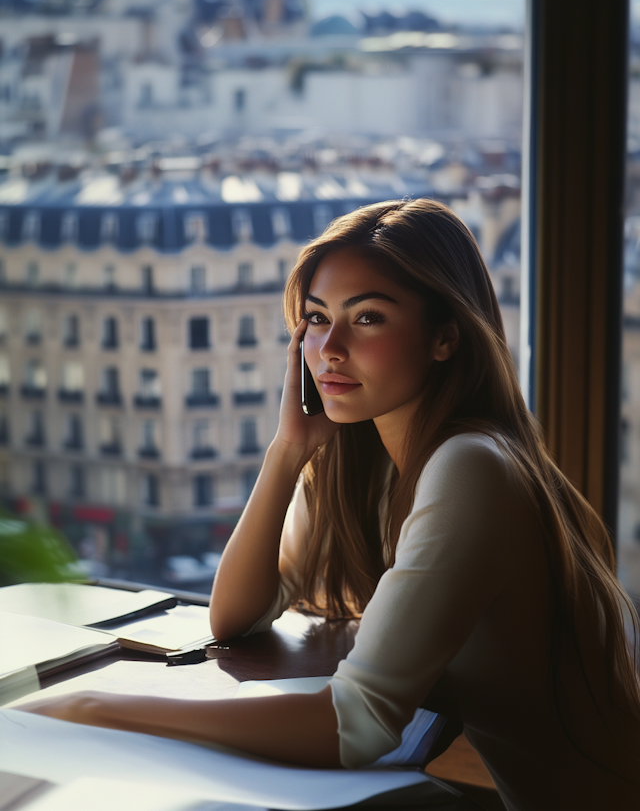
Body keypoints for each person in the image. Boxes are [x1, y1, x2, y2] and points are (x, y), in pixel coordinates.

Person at [15, 199, 640, 810]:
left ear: (445, 337)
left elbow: (357, 724)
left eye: (367, 318)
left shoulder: (470, 463)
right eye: (316, 318)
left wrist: (91, 707)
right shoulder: (369, 468)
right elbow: (235, 617)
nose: (330, 347)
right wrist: (288, 452)